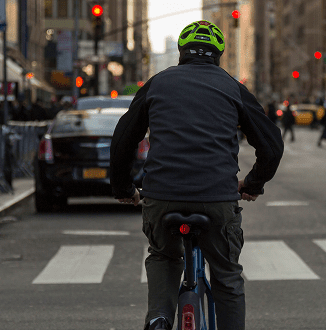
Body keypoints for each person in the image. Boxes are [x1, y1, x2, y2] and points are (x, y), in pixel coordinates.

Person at [110, 20, 284, 330]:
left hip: (161, 195)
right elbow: (271, 146)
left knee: (164, 256)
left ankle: (159, 319)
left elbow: (123, 141)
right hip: (216, 197)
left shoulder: (157, 83)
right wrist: (252, 184)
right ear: (219, 54)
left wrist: (124, 188)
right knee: (227, 276)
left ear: (181, 52)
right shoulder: (232, 87)